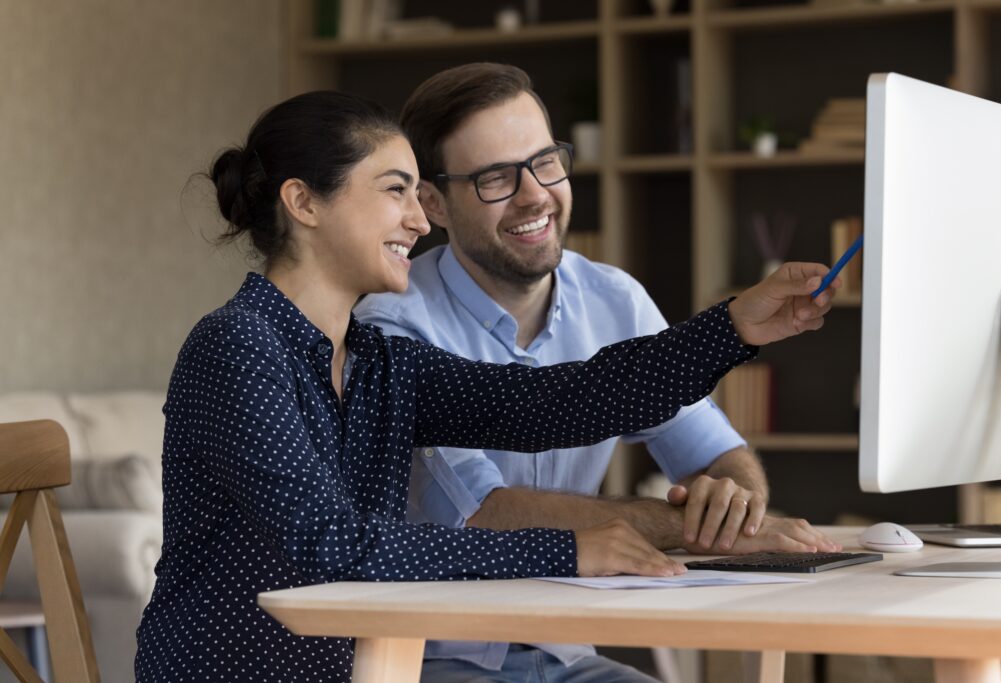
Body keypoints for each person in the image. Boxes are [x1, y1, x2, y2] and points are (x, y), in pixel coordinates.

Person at [134, 90, 838, 683]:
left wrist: (734, 328)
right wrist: (569, 548)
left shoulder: (380, 360)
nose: (417, 219)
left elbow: (553, 402)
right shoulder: (236, 345)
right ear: (304, 203)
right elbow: (334, 544)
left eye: (417, 193)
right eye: (394, 192)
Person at [354, 63, 840, 682]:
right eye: (496, 178)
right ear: (433, 204)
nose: (535, 195)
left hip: (567, 657)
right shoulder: (391, 326)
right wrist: (691, 529)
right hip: (431, 660)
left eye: (545, 162)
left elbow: (714, 449)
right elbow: (482, 513)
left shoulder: (616, 298)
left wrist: (733, 503)